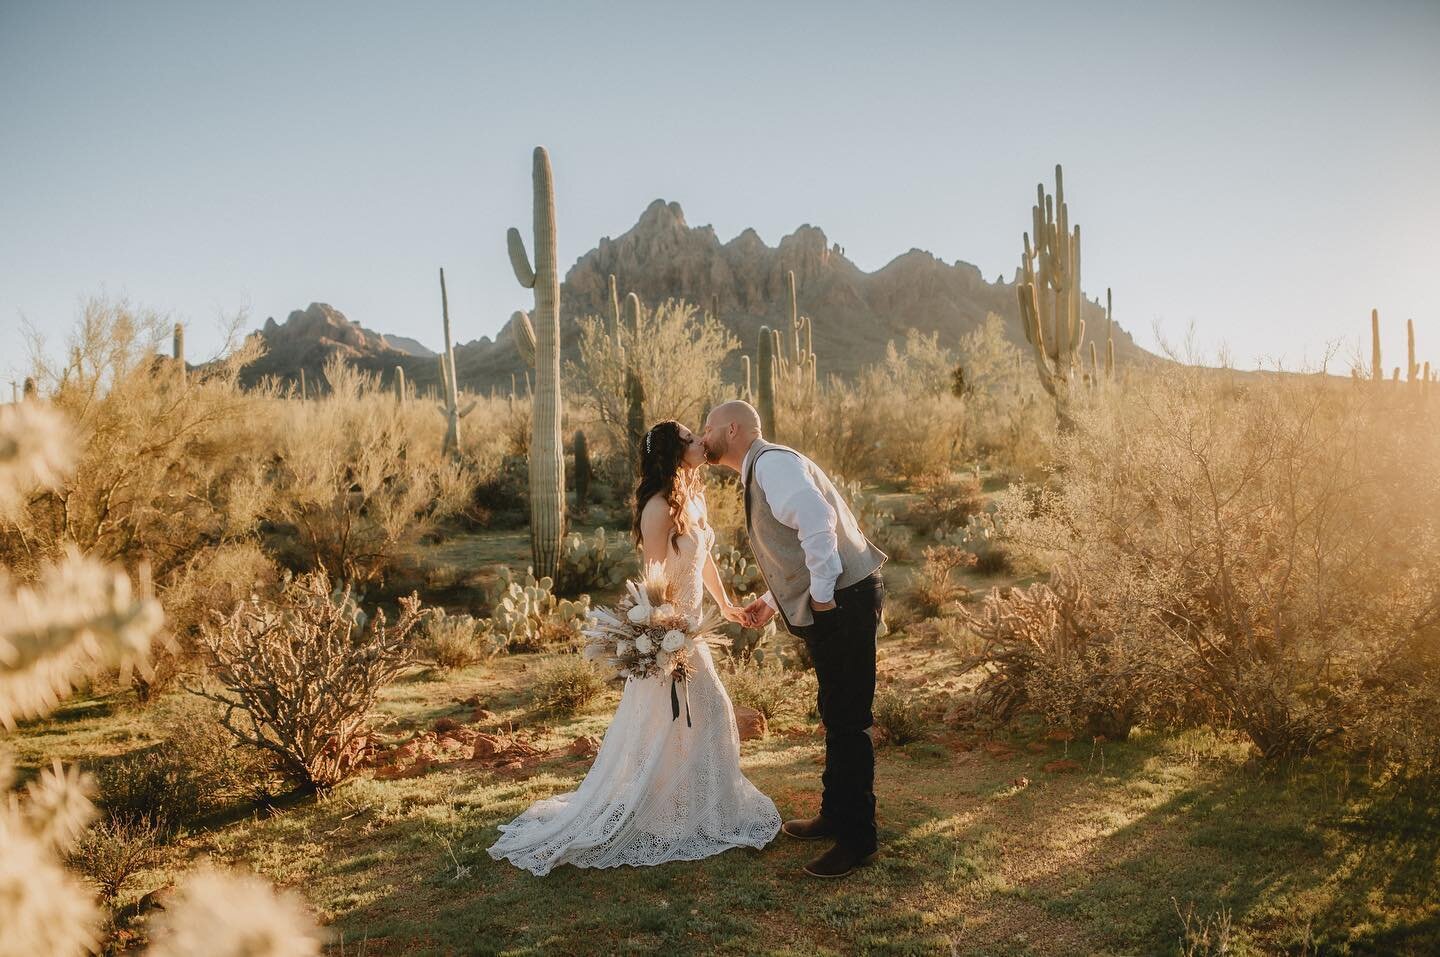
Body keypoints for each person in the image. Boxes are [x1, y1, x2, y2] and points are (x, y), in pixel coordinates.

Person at [487, 420, 782, 876]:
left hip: (695, 628)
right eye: (688, 440)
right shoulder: (658, 509)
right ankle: (668, 809)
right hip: (672, 632)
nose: (700, 442)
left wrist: (724, 603)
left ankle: (693, 805)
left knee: (700, 718)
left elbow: (702, 560)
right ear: (671, 453)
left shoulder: (694, 498)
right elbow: (654, 582)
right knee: (691, 716)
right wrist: (663, 639)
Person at [701, 400, 887, 879]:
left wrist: (822, 600)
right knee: (834, 710)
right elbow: (794, 541)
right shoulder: (765, 467)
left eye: (709, 427)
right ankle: (834, 813)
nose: (703, 436)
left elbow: (817, 522)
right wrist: (771, 596)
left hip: (843, 599)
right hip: (837, 598)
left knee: (848, 719)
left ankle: (857, 838)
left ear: (733, 429)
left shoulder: (772, 464)